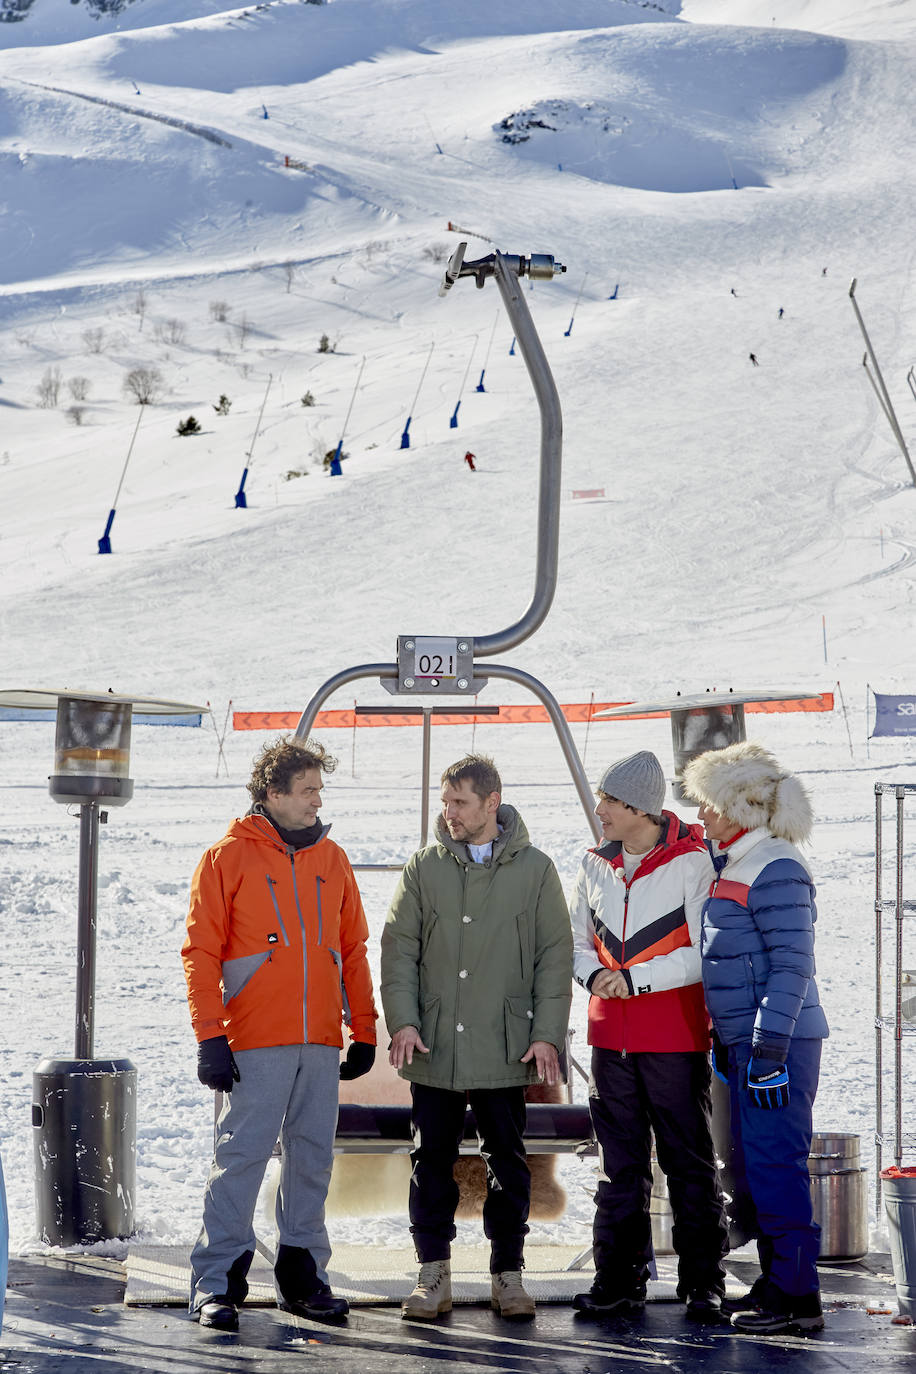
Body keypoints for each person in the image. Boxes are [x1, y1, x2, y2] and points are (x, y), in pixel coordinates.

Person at [182, 737, 377, 1331]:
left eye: (320, 789)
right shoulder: (226, 857)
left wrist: (362, 1028)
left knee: (312, 1161)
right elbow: (201, 951)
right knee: (240, 1158)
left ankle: (302, 1277)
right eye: (308, 790)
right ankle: (216, 1283)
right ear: (273, 793)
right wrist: (210, 1035)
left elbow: (353, 948)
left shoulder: (333, 858)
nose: (318, 800)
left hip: (318, 1040)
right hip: (255, 1039)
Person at [380, 754, 572, 1322]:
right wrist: (404, 1021)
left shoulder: (536, 869)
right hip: (435, 1044)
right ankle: (432, 1275)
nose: (449, 813)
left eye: (460, 802)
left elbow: (554, 957)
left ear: (492, 803)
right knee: (430, 1162)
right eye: (446, 802)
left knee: (508, 1164)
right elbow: (398, 951)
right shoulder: (423, 867)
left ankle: (507, 1276)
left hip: (505, 1044)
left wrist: (547, 1035)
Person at [569, 751, 729, 1320]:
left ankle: (704, 1283)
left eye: (610, 801)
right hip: (610, 1039)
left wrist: (633, 980)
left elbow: (700, 954)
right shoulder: (592, 862)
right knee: (620, 1164)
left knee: (688, 1161)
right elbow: (577, 941)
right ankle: (617, 1280)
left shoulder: (693, 863)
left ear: (639, 807)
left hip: (675, 1038)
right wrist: (593, 976)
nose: (600, 810)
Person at [682, 741, 828, 1334]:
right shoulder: (736, 862)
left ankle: (797, 1297)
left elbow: (793, 965)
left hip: (779, 1045)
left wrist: (768, 1050)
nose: (703, 816)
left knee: (776, 1164)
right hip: (747, 1044)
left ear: (741, 807)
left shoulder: (776, 866)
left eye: (711, 805)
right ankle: (777, 1280)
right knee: (753, 1168)